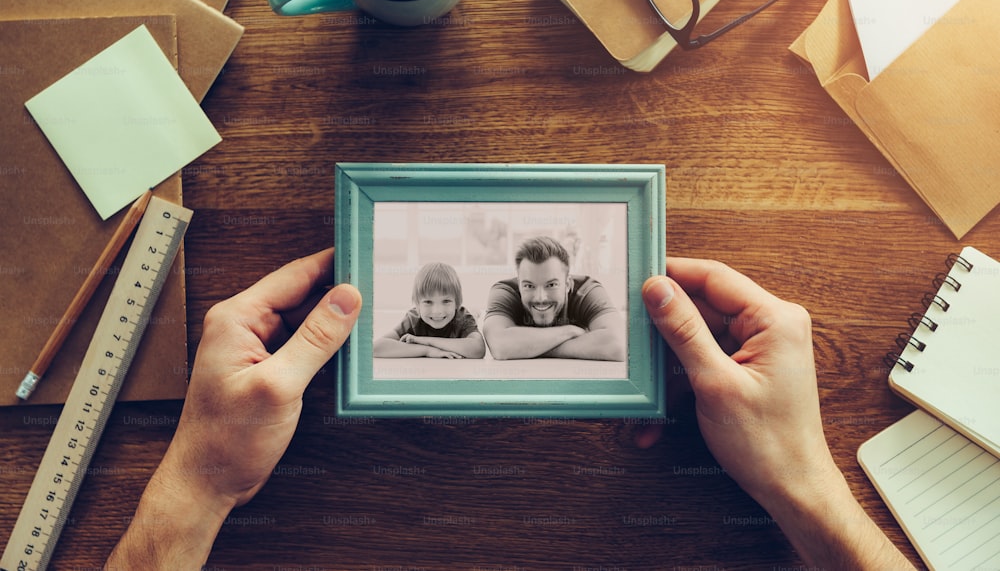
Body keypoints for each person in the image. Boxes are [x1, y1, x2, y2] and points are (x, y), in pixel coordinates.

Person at [105, 250, 915, 569]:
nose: (535, 294)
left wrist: (199, 483)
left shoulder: (563, 293)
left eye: (548, 287)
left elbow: (490, 349)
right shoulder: (492, 297)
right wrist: (806, 486)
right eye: (528, 287)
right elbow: (497, 341)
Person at [481, 236, 626, 361]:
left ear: (568, 284)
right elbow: (500, 345)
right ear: (518, 284)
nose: (540, 298)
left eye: (551, 285)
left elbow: (619, 344)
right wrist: (569, 332)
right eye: (529, 286)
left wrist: (527, 348)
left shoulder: (587, 290)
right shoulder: (505, 291)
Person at [373, 261, 485, 359]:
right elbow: (376, 347)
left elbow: (478, 350)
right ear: (417, 305)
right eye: (428, 302)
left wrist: (425, 340)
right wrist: (427, 350)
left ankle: (475, 313)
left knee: (472, 316)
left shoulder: (463, 317)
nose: (437, 311)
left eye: (446, 301)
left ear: (457, 303)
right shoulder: (413, 319)